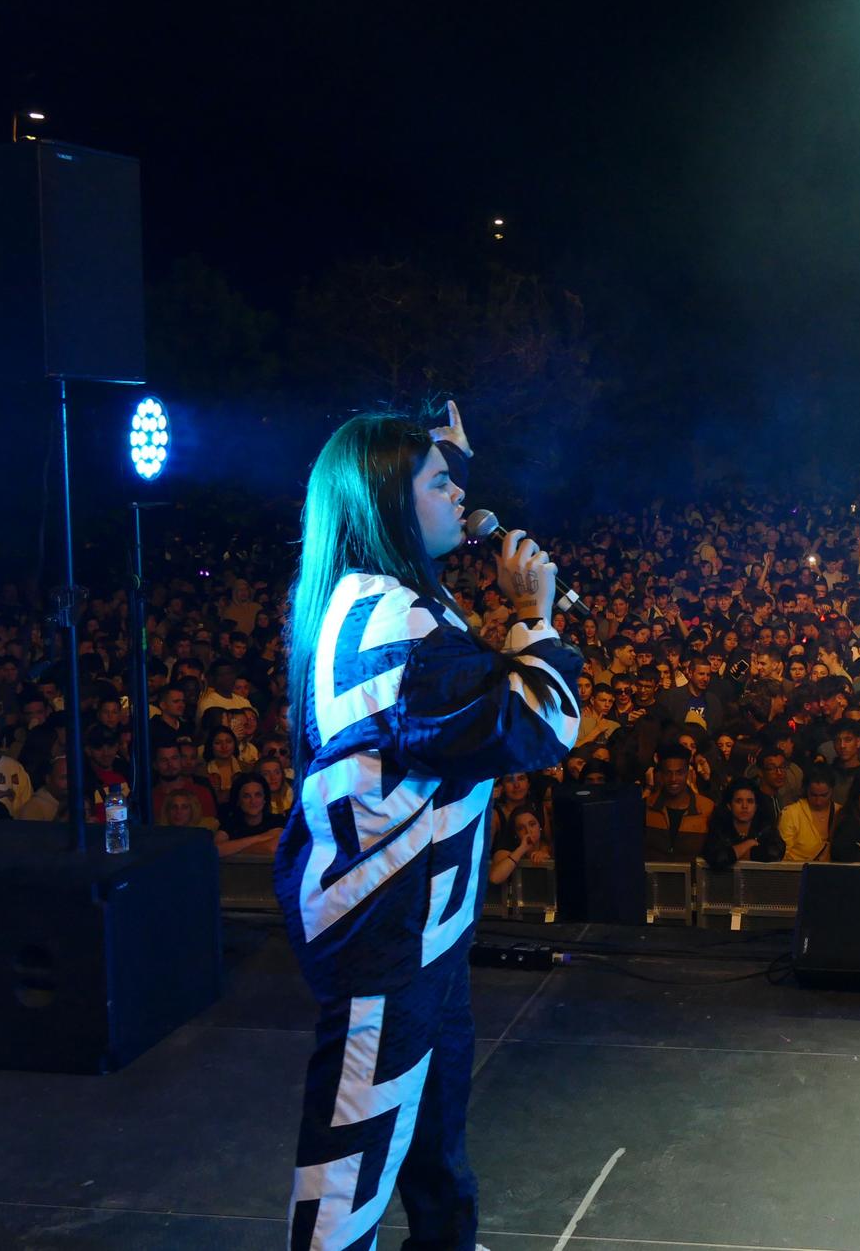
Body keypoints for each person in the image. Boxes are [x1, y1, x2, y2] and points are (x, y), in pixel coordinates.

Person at [273, 405, 580, 1251]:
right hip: (385, 926)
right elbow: (539, 723)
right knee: (354, 1154)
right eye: (439, 483)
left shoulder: (395, 599)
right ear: (385, 503)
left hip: (423, 924)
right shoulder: (386, 620)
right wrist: (533, 612)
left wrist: (443, 442)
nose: (459, 495)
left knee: (432, 1125)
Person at [702, 779, 785, 871]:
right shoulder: (719, 827)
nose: (744, 806)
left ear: (756, 806)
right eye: (738, 801)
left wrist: (734, 855)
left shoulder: (765, 827)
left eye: (750, 801)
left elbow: (775, 852)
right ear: (729, 806)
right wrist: (747, 844)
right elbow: (717, 858)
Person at [776, 772, 838, 864]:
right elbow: (782, 854)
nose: (818, 801)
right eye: (813, 795)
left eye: (824, 795)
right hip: (796, 873)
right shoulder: (791, 813)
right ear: (806, 790)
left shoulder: (840, 813)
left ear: (832, 791)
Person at [486, 803, 551, 886]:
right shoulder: (505, 849)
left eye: (532, 824)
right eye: (521, 828)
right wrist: (522, 849)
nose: (528, 831)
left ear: (540, 827)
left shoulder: (547, 847)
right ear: (515, 833)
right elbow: (494, 878)